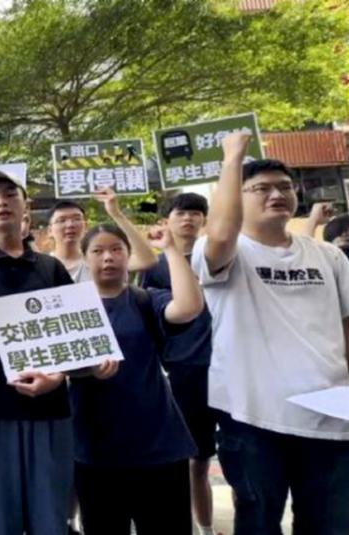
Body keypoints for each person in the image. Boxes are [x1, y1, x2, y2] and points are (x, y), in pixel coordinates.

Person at [193, 132, 349, 534]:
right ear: (237, 198)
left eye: (284, 187)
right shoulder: (225, 252)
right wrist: (233, 158)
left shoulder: (329, 256)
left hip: (329, 414)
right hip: (252, 416)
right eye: (260, 188)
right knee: (258, 521)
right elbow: (222, 234)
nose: (275, 194)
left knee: (329, 523)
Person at [0, 171, 113, 533]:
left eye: (9, 194)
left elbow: (75, 338)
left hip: (49, 412)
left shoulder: (50, 269)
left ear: (26, 209)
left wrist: (59, 376)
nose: (2, 201)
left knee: (49, 515)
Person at [72, 223, 202, 534]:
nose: (108, 258)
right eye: (98, 251)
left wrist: (169, 249)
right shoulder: (69, 309)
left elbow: (188, 307)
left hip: (158, 446)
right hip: (94, 450)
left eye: (116, 250)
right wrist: (86, 369)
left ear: (129, 256)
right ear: (84, 259)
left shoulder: (146, 299)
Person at [140, 192, 217, 535]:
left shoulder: (219, 257)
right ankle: (195, 526)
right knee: (192, 459)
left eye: (196, 213)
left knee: (235, 456)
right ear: (166, 221)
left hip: (229, 367)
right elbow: (150, 320)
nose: (188, 219)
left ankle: (208, 525)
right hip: (182, 370)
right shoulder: (155, 268)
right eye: (181, 213)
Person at [47, 191, 158, 283]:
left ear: (86, 226)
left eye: (77, 219)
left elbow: (147, 260)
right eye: (61, 220)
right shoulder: (41, 266)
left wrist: (116, 213)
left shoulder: (101, 260)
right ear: (49, 231)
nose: (70, 225)